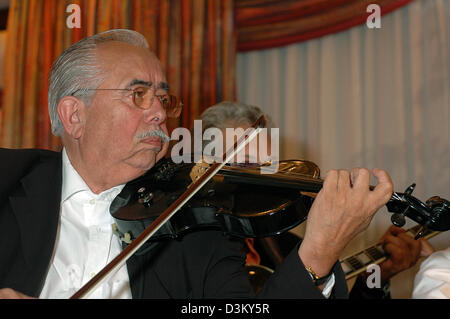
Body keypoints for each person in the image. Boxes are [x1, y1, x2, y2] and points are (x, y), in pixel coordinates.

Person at [0, 29, 394, 299]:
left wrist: (318, 254)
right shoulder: (8, 179)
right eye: (138, 94)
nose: (159, 112)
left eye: (163, 98)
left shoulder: (196, 227)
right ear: (74, 115)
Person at [198, 101, 435, 299]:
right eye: (247, 164)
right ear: (201, 167)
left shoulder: (286, 245)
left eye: (270, 166)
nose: (265, 179)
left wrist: (376, 276)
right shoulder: (183, 244)